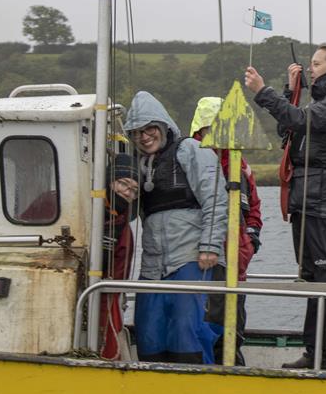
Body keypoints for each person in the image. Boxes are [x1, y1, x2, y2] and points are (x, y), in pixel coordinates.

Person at [244, 43, 326, 371]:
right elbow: (288, 128)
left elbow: (300, 120)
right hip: (308, 197)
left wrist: (264, 92)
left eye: (316, 63)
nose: (310, 67)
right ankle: (316, 352)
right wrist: (291, 91)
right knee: (313, 279)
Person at [123, 91, 228, 364]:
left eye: (149, 129)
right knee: (149, 334)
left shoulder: (190, 150)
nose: (144, 137)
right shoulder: (136, 165)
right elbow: (131, 216)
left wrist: (210, 246)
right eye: (136, 132)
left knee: (188, 332)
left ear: (163, 126)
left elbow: (216, 198)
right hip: (152, 266)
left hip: (192, 258)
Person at [189, 96, 264, 365]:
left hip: (238, 260)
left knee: (235, 323)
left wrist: (253, 237)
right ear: (202, 130)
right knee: (210, 323)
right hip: (208, 259)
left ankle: (234, 370)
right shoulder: (195, 160)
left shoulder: (241, 164)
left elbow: (253, 205)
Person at [100, 153, 138, 360]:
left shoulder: (124, 232)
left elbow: (118, 280)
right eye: (123, 183)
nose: (127, 192)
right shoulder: (80, 207)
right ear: (109, 180)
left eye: (133, 190)